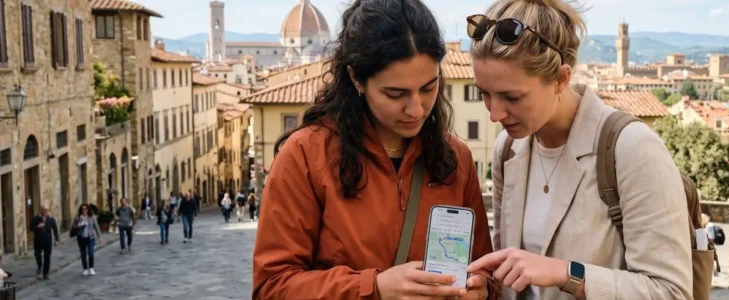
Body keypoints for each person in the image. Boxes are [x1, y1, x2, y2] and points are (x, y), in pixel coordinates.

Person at [251, 0, 496, 298]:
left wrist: (482, 288)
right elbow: (272, 287)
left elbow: (484, 268)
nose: (416, 109)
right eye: (395, 94)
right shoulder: (303, 156)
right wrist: (374, 288)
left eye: (429, 88)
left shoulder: (456, 158)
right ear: (357, 79)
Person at [464, 1, 694, 299]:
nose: (494, 114)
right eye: (485, 94)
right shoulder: (507, 149)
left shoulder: (632, 148)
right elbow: (510, 277)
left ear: (561, 78)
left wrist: (566, 273)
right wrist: (487, 288)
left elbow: (671, 292)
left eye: (512, 97)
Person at [29, 204, 59, 281]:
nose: (45, 212)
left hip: (47, 241)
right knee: (37, 255)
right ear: (41, 210)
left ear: (48, 211)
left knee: (47, 257)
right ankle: (39, 265)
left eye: (46, 210)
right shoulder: (36, 218)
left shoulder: (51, 219)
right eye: (43, 210)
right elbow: (30, 228)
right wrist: (37, 227)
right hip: (38, 241)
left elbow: (55, 230)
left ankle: (45, 273)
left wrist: (56, 240)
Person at [72, 204, 102, 276]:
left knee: (91, 252)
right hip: (81, 238)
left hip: (91, 237)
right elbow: (73, 227)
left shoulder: (92, 217)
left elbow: (96, 227)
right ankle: (85, 269)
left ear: (88, 209)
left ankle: (91, 268)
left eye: (85, 209)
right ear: (81, 210)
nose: (84, 210)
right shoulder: (78, 218)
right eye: (82, 209)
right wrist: (77, 226)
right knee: (83, 254)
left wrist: (99, 237)